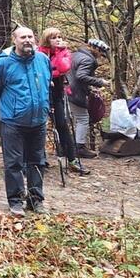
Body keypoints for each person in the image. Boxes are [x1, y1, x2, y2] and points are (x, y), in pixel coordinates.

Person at [0, 26, 51, 216]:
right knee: (13, 163)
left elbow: (46, 86)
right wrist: (11, 107)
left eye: (30, 36)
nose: (27, 40)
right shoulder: (2, 64)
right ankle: (15, 201)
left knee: (37, 162)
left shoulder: (43, 60)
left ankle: (35, 200)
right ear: (14, 40)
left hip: (38, 121)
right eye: (23, 37)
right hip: (13, 122)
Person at [38, 29, 90, 176]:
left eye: (59, 37)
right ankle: (39, 158)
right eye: (54, 38)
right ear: (47, 39)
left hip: (57, 91)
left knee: (62, 124)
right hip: (41, 92)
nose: (57, 40)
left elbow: (63, 68)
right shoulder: (39, 52)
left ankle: (73, 160)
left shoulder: (65, 52)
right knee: (38, 124)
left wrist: (60, 51)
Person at [68, 38, 111, 159]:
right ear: (95, 48)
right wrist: (100, 82)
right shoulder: (87, 59)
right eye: (100, 52)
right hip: (75, 93)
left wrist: (89, 89)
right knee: (83, 118)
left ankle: (68, 146)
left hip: (66, 91)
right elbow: (81, 76)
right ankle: (79, 148)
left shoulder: (75, 55)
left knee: (69, 120)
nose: (100, 56)